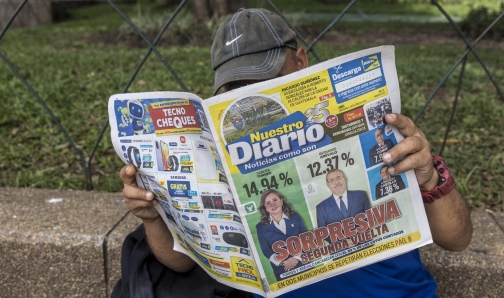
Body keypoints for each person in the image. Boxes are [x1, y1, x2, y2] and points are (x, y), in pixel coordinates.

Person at [119, 7, 473, 297]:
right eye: (237, 87)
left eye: (264, 79)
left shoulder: (374, 123)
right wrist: (154, 217)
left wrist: (429, 177)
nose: (253, 96)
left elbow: (457, 239)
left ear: (300, 62)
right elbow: (181, 264)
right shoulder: (218, 155)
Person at [256, 189, 308, 281]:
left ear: (281, 200)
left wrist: (295, 259)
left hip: (303, 263)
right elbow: (265, 250)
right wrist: (283, 263)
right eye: (268, 203)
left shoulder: (295, 216)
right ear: (264, 207)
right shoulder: (260, 227)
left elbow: (305, 238)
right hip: (282, 270)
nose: (272, 204)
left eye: (275, 200)